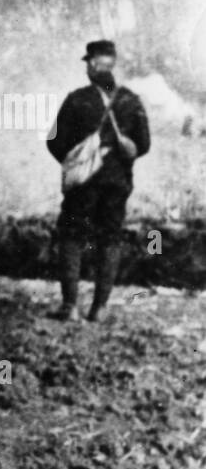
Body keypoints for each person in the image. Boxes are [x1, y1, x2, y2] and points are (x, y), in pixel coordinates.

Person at [45, 40, 150, 323]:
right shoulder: (132, 101)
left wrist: (79, 162)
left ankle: (70, 307)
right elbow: (144, 144)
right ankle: (100, 308)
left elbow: (54, 142)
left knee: (72, 236)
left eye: (89, 63)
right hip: (117, 182)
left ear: (92, 64)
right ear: (112, 64)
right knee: (110, 238)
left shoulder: (76, 99)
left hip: (84, 184)